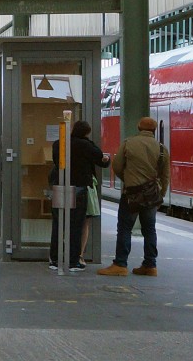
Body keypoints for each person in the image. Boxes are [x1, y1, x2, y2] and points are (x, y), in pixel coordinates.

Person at [99, 116, 170, 277]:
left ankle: (120, 264)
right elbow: (165, 176)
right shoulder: (161, 149)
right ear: (154, 130)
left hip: (131, 193)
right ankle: (150, 265)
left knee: (124, 228)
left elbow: (116, 166)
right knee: (149, 229)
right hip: (152, 195)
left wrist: (128, 179)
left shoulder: (128, 143)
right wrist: (161, 195)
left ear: (139, 128)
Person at [48, 120, 110, 272]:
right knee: (76, 224)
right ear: (86, 133)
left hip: (61, 186)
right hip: (79, 187)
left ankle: (54, 259)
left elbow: (57, 162)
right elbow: (100, 158)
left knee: (58, 224)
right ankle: (73, 261)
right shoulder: (86, 145)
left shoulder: (58, 143)